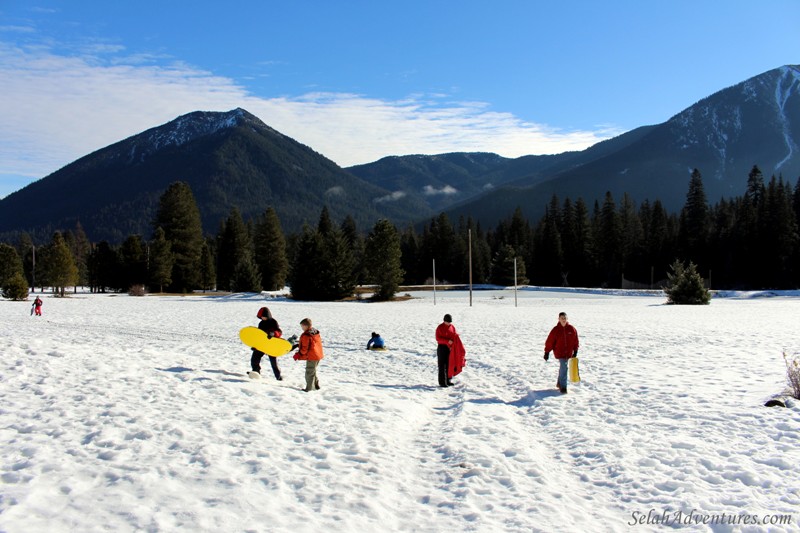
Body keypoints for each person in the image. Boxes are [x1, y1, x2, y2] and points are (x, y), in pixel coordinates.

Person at [544, 312, 579, 394]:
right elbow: (550, 341)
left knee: (563, 367)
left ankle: (559, 383)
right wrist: (547, 352)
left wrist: (575, 350)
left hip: (569, 352)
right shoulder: (555, 330)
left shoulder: (571, 329)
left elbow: (575, 341)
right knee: (564, 367)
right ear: (559, 319)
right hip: (559, 352)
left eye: (565, 318)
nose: (563, 320)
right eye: (562, 318)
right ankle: (563, 387)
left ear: (567, 319)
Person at [249, 307, 283, 380]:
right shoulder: (261, 323)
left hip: (271, 345)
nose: (263, 318)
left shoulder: (273, 322)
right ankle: (256, 372)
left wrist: (273, 333)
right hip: (262, 344)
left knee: (274, 363)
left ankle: (279, 377)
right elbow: (259, 335)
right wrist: (255, 346)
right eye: (261, 317)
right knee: (254, 358)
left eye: (264, 317)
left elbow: (279, 332)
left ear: (267, 315)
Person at [293, 318, 324, 392]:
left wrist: (298, 354)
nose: (302, 328)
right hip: (318, 354)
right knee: (313, 371)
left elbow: (304, 349)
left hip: (312, 356)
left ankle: (309, 388)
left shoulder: (306, 335)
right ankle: (316, 386)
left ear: (306, 326)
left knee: (309, 372)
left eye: (302, 326)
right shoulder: (315, 332)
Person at [435, 314, 466, 387]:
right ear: (444, 321)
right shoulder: (440, 327)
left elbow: (454, 334)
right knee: (442, 365)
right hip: (442, 348)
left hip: (450, 348)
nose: (448, 323)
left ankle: (448, 380)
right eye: (447, 322)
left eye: (449, 322)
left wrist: (456, 337)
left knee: (449, 364)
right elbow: (438, 338)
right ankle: (442, 382)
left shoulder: (452, 327)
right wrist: (447, 341)